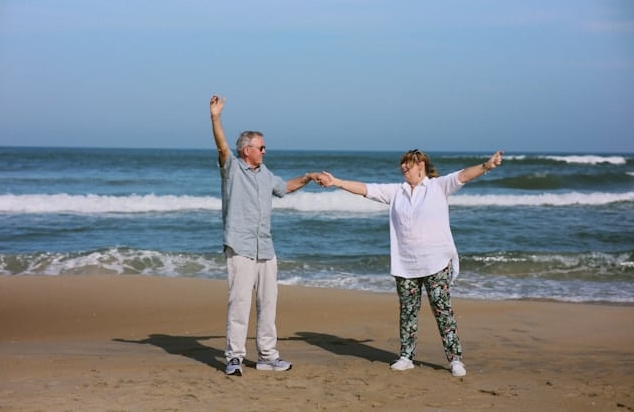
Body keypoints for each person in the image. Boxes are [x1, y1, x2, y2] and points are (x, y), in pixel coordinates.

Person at [321, 149, 503, 377]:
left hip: (436, 263)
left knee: (443, 312)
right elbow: (366, 189)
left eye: (408, 163)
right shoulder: (396, 192)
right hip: (405, 265)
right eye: (402, 164)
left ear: (421, 165)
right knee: (408, 313)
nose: (403, 167)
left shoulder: (438, 186)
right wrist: (336, 181)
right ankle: (406, 356)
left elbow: (464, 175)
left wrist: (486, 166)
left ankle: (455, 359)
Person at [209, 94, 328, 376]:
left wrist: (309, 177)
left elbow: (285, 187)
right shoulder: (232, 168)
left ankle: (267, 356)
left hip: (266, 248)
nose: (265, 151)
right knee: (239, 303)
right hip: (240, 246)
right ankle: (235, 357)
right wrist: (216, 117)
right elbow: (221, 146)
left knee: (268, 303)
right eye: (261, 147)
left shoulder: (265, 173)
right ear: (246, 149)